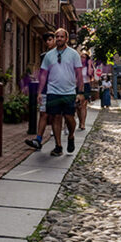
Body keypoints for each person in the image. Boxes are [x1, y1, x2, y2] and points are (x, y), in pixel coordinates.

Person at [33, 28, 83, 156]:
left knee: (69, 118)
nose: (59, 39)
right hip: (52, 91)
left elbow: (79, 74)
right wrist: (40, 92)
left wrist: (80, 92)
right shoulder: (49, 55)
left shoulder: (73, 54)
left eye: (62, 37)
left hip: (69, 92)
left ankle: (71, 135)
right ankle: (58, 146)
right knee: (55, 117)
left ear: (66, 39)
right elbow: (43, 75)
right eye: (57, 36)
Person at [25, 32, 57, 150]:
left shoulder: (62, 55)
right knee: (43, 114)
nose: (48, 42)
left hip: (57, 89)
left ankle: (59, 142)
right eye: (46, 41)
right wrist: (39, 91)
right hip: (45, 88)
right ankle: (38, 140)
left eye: (50, 39)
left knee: (55, 116)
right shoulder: (44, 56)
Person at [77, 49, 92, 130]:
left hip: (86, 85)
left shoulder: (88, 67)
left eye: (84, 57)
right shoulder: (77, 66)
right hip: (78, 86)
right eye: (81, 57)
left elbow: (90, 74)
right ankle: (80, 121)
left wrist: (89, 64)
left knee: (83, 106)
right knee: (78, 106)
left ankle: (83, 123)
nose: (82, 59)